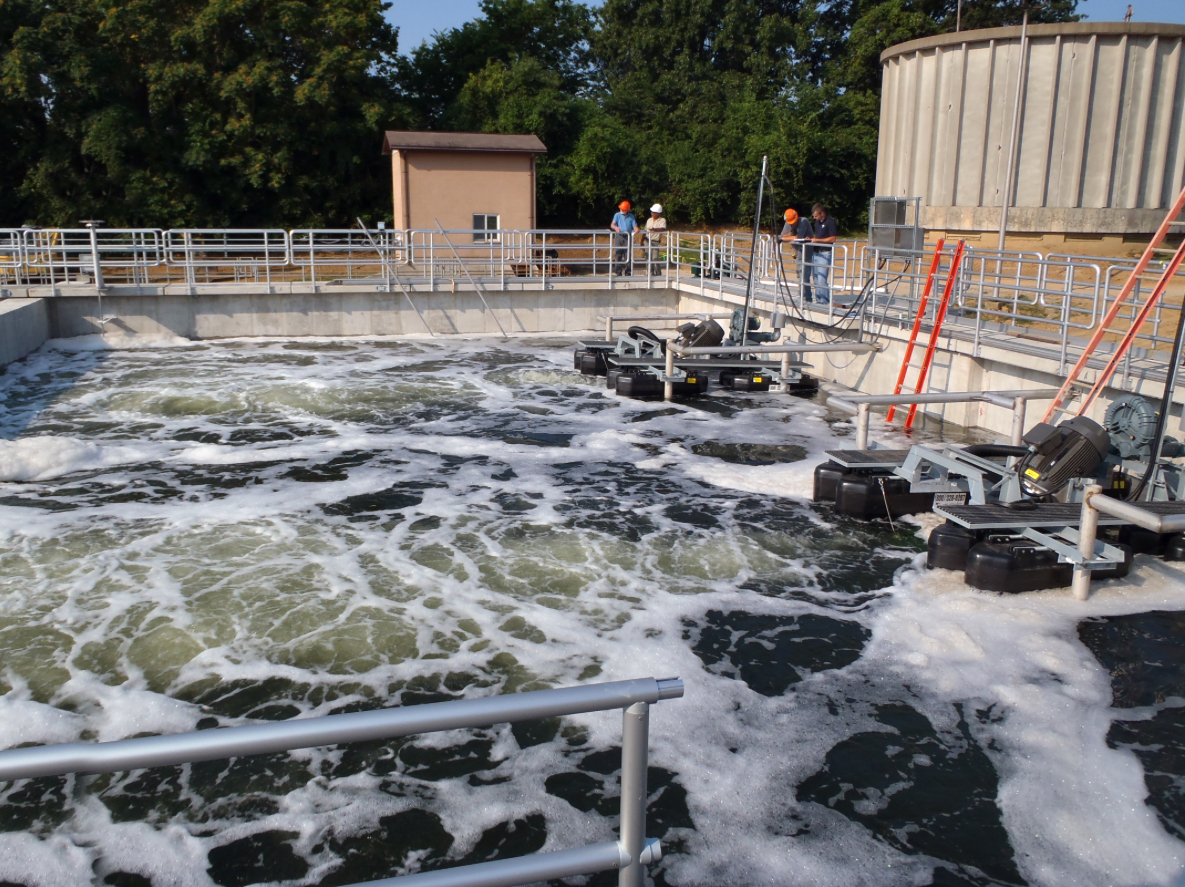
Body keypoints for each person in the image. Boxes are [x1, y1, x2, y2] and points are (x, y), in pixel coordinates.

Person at [780, 208, 815, 302]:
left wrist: (789, 236)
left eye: (793, 222)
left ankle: (807, 298)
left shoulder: (803, 221)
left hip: (806, 253)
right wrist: (789, 235)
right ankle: (803, 296)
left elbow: (797, 237)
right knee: (799, 275)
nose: (792, 224)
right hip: (798, 253)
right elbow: (782, 236)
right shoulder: (788, 222)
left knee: (804, 276)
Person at [809, 203, 838, 305]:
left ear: (822, 213)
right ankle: (818, 300)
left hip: (825, 252)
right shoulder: (817, 223)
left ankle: (824, 301)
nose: (815, 218)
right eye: (814, 216)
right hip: (816, 252)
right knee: (816, 278)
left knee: (821, 278)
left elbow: (833, 238)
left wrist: (818, 240)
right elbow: (818, 236)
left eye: (816, 215)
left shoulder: (830, 222)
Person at [611, 201, 638, 276]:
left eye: (623, 209)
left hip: (628, 236)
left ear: (627, 210)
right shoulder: (617, 215)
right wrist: (616, 227)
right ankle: (618, 271)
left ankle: (628, 271)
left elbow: (634, 226)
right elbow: (612, 224)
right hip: (619, 236)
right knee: (618, 253)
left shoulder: (631, 216)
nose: (622, 210)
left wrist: (636, 229)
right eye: (621, 209)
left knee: (628, 254)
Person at [644, 204, 667, 274]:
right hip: (647, 240)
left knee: (655, 258)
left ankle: (658, 272)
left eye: (654, 212)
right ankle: (649, 273)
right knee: (648, 258)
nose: (652, 213)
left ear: (658, 213)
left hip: (655, 241)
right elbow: (645, 231)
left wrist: (655, 230)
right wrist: (642, 241)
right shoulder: (649, 220)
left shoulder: (662, 220)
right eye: (652, 212)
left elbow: (663, 228)